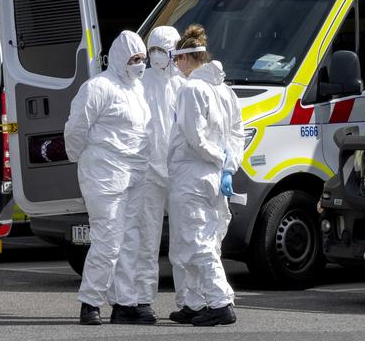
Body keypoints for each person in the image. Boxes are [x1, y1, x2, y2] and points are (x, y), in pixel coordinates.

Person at [64, 30, 151, 326]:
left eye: (142, 58)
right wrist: (82, 160)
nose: (139, 64)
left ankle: (124, 303)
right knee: (108, 240)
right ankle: (90, 302)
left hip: (134, 173)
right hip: (103, 174)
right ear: (118, 58)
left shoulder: (138, 90)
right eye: (133, 58)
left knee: (130, 240)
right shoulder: (98, 87)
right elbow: (76, 128)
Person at [166, 24, 245, 327]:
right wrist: (228, 165)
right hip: (214, 178)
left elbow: (194, 137)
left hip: (192, 176)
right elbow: (238, 133)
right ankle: (194, 302)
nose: (174, 65)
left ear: (187, 58)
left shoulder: (191, 89)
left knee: (195, 242)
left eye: (176, 59)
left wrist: (218, 159)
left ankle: (220, 302)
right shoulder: (225, 90)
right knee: (204, 242)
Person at [110, 26, 185, 324]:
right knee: (145, 241)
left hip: (180, 172)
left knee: (186, 241)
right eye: (152, 50)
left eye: (162, 51)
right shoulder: (141, 84)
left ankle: (192, 301)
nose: (156, 57)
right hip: (149, 173)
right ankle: (141, 300)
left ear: (175, 52)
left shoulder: (185, 85)